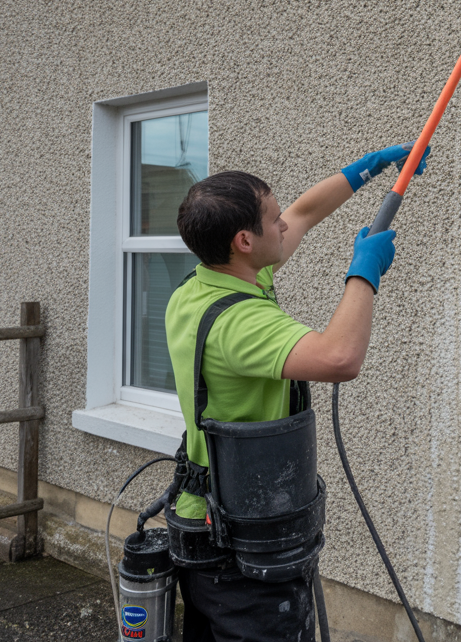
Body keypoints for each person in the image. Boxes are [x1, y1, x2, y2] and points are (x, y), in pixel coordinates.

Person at [164, 143, 428, 642]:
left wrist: (369, 168)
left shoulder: (204, 285)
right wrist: (364, 269)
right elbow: (338, 358)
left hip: (205, 519)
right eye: (271, 219)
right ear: (244, 240)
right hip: (237, 547)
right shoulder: (240, 322)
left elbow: (304, 212)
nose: (283, 223)